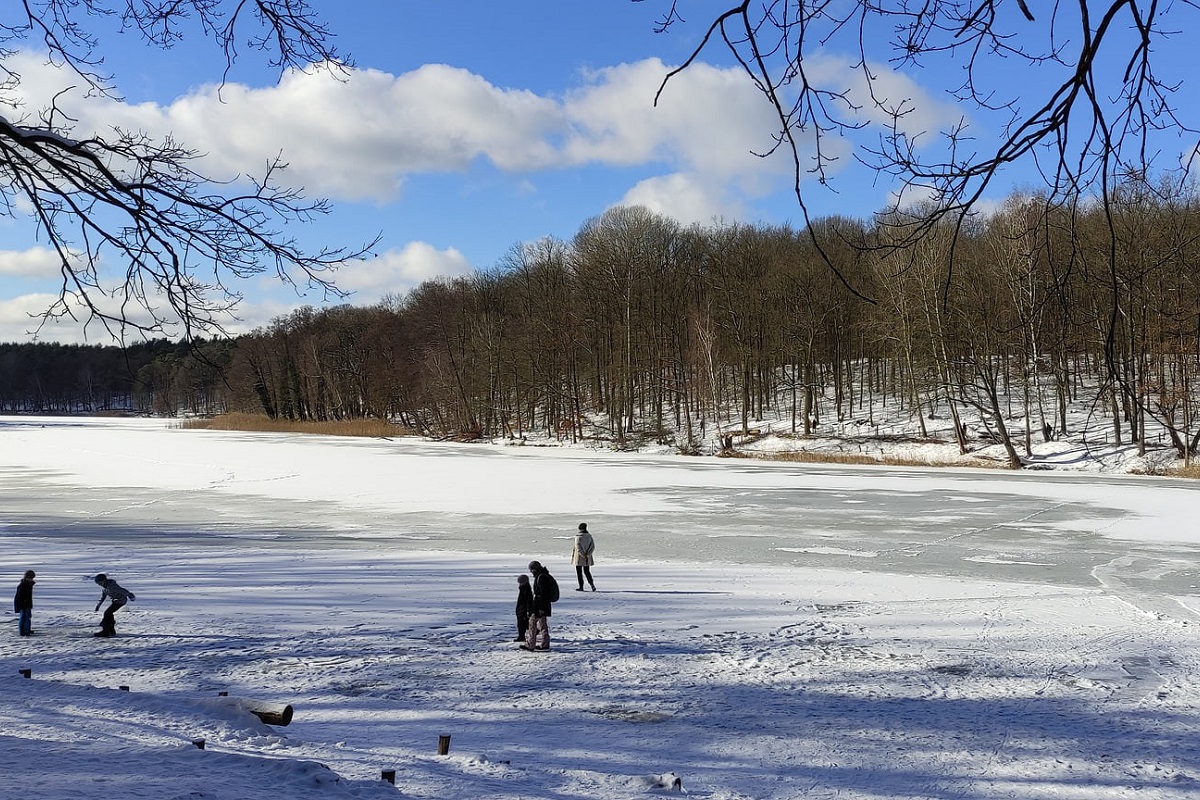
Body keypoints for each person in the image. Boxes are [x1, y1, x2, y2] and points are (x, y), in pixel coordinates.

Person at [521, 560, 557, 652]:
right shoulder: (543, 575)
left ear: (534, 569)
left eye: (531, 570)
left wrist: (540, 608)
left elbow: (542, 594)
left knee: (532, 623)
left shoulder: (541, 578)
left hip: (540, 605)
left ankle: (530, 644)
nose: (531, 572)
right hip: (544, 605)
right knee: (542, 624)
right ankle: (545, 643)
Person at [93, 573, 136, 637]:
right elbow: (103, 597)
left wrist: (130, 595)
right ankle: (111, 630)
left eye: (100, 583)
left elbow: (122, 590)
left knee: (107, 613)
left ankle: (106, 631)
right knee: (109, 613)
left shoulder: (112, 586)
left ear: (104, 580)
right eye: (98, 584)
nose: (99, 585)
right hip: (115, 601)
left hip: (121, 600)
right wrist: (98, 605)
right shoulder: (105, 588)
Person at [571, 522, 597, 592]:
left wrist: (583, 555)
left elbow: (578, 548)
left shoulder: (578, 537)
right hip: (587, 558)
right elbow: (592, 546)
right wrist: (588, 555)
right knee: (587, 572)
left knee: (579, 573)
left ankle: (581, 587)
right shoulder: (589, 536)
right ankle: (592, 585)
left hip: (579, 558)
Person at [14, 570, 35, 636]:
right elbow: (18, 597)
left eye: (32, 578)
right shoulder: (22, 585)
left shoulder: (29, 585)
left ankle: (27, 629)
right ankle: (23, 632)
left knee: (28, 617)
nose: (31, 579)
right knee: (23, 618)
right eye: (29, 578)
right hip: (23, 605)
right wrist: (21, 604)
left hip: (27, 604)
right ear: (26, 577)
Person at [514, 574, 533, 642]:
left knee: (522, 623)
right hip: (522, 609)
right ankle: (522, 636)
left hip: (523, 609)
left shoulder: (525, 589)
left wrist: (527, 610)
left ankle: (521, 636)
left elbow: (528, 601)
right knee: (523, 623)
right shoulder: (524, 589)